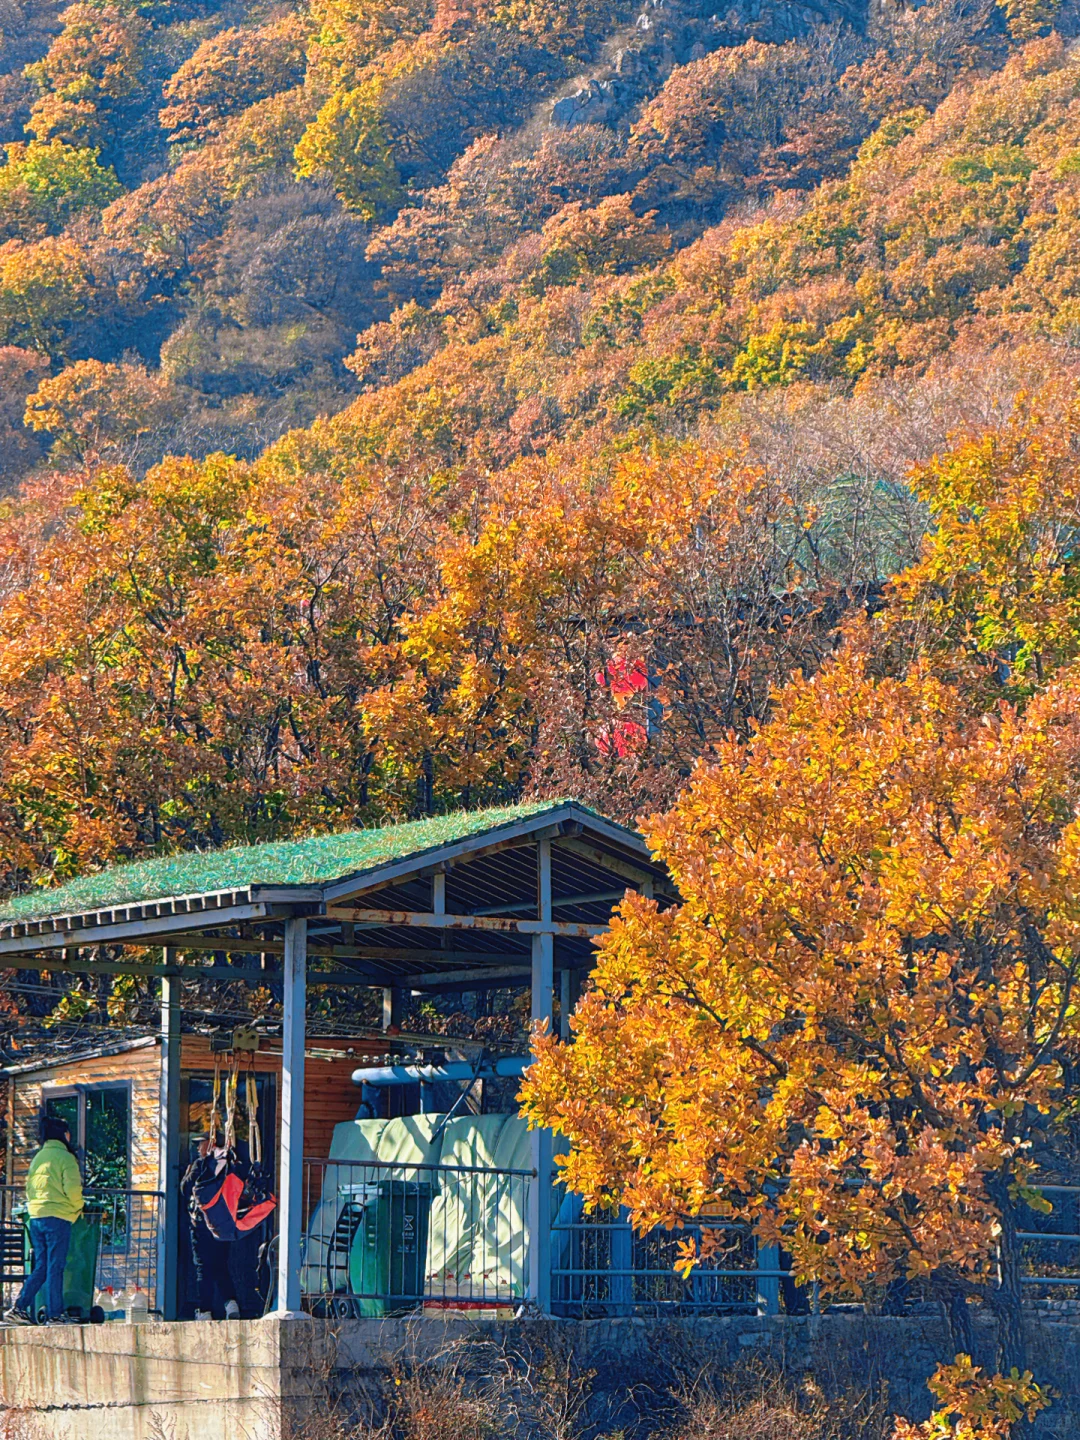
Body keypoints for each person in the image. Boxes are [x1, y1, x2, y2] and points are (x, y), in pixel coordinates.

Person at [3, 1116, 83, 1326]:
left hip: (36, 1217)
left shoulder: (39, 1157)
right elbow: (73, 1190)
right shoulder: (66, 1158)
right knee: (56, 1266)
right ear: (63, 1135)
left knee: (41, 1266)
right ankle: (55, 1315)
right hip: (58, 1217)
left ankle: (18, 1309)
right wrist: (78, 1207)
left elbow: (30, 1188)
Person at [181, 1135, 261, 1320]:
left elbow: (185, 1189)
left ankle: (204, 1310)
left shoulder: (202, 1164)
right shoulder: (229, 1164)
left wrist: (188, 1173)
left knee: (203, 1266)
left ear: (210, 1144)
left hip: (202, 1224)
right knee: (220, 1265)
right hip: (223, 1223)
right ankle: (231, 1303)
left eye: (200, 1144)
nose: (198, 1149)